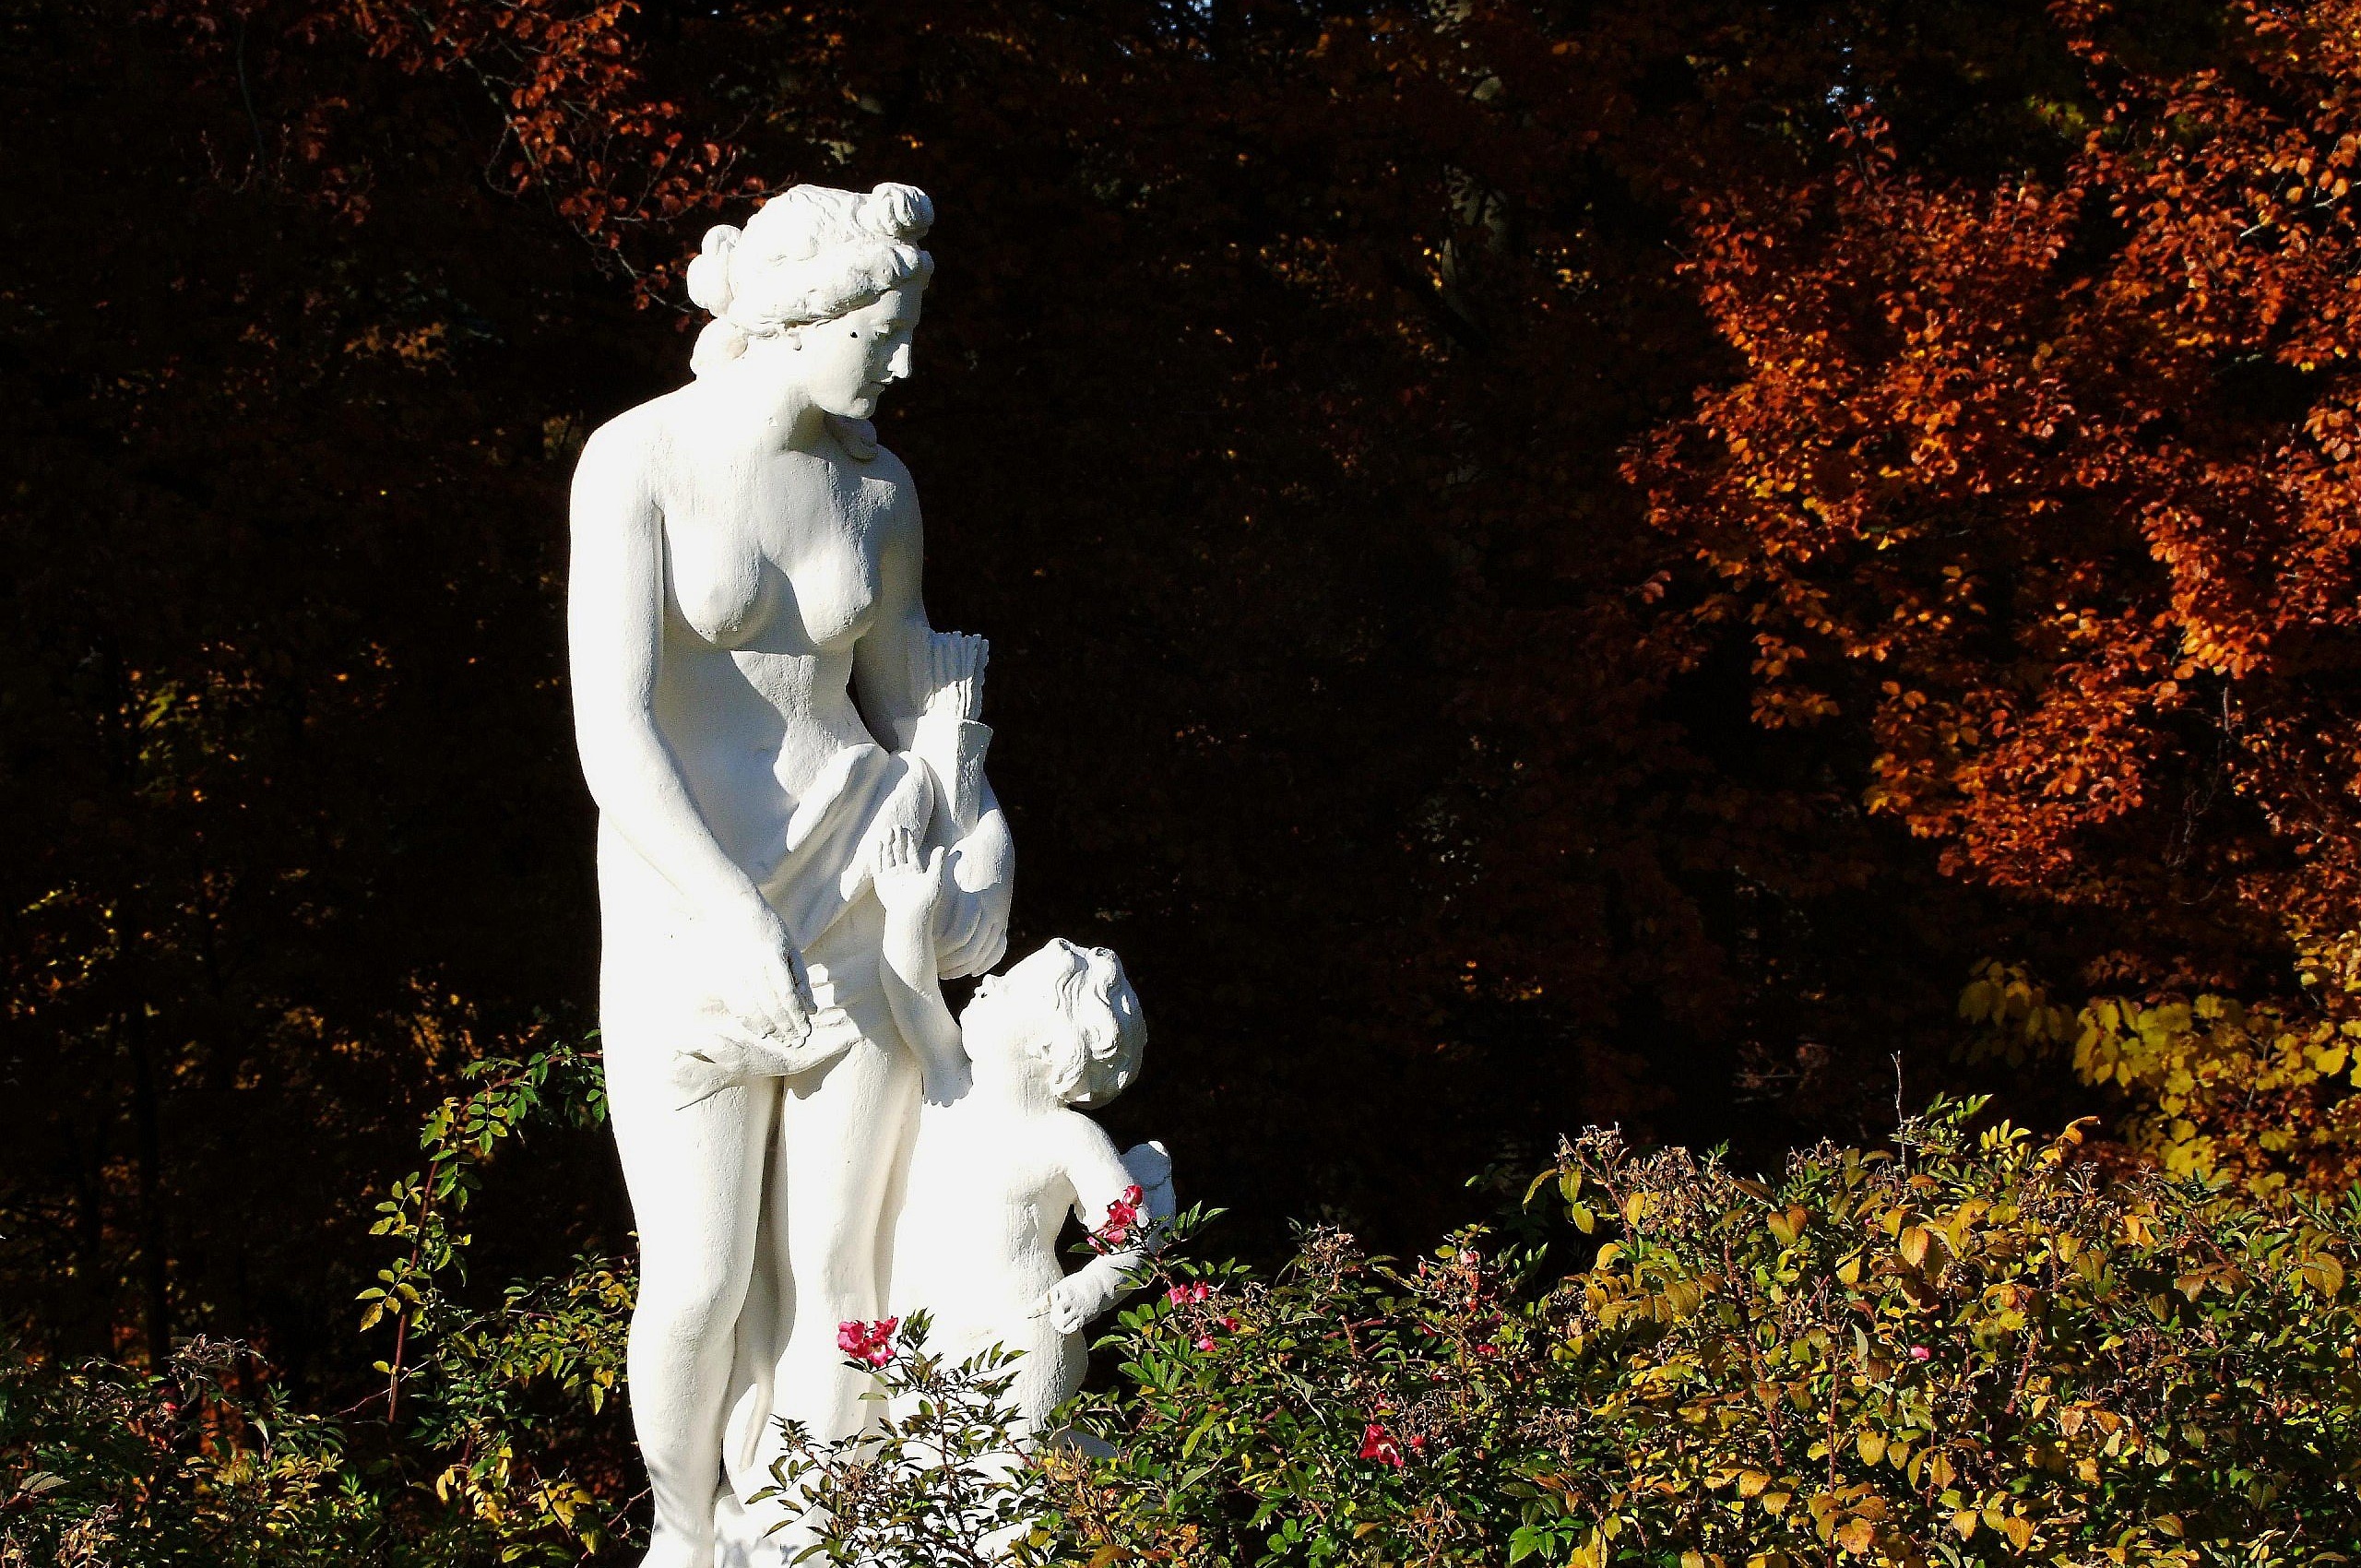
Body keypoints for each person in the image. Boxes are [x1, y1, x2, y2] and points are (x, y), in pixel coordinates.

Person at [566, 181, 1013, 1568]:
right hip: (686, 908)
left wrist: (968, 807)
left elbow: (910, 698)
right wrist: (726, 910)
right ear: (795, 316)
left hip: (854, 881)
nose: (903, 363)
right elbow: (613, 727)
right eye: (884, 331)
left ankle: (822, 1533)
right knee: (695, 1280)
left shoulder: (879, 489)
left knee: (844, 1270)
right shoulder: (636, 461)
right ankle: (687, 1535)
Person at [870, 824, 1172, 1439]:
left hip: (1026, 1330)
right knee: (921, 1479)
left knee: (1012, 1482)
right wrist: (907, 911)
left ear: (1049, 1042)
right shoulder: (952, 1079)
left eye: (1006, 988)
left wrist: (1093, 1286)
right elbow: (913, 996)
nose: (985, 983)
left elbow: (1134, 1240)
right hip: (924, 1328)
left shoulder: (1068, 1137)